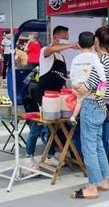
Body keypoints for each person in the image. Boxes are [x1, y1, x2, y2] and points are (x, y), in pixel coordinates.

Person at [71, 25, 109, 200]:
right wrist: (95, 94)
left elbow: (88, 85)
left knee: (89, 148)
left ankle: (92, 187)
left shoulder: (101, 61)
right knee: (97, 145)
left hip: (91, 107)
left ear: (96, 41)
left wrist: (80, 90)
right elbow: (103, 87)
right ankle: (102, 181)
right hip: (101, 106)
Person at [24, 26, 77, 168]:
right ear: (55, 37)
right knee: (36, 126)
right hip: (42, 96)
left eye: (67, 38)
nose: (66, 40)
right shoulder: (45, 52)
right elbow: (51, 49)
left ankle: (50, 155)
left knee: (54, 127)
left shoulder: (62, 57)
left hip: (57, 97)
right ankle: (29, 157)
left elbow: (63, 78)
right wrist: (72, 45)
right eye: (64, 37)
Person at [69, 31, 107, 125]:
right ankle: (73, 117)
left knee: (79, 101)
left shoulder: (75, 58)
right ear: (94, 43)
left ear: (79, 43)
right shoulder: (94, 57)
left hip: (77, 85)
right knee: (82, 100)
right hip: (87, 88)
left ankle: (73, 117)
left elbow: (72, 75)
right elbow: (101, 75)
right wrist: (101, 95)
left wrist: (73, 88)